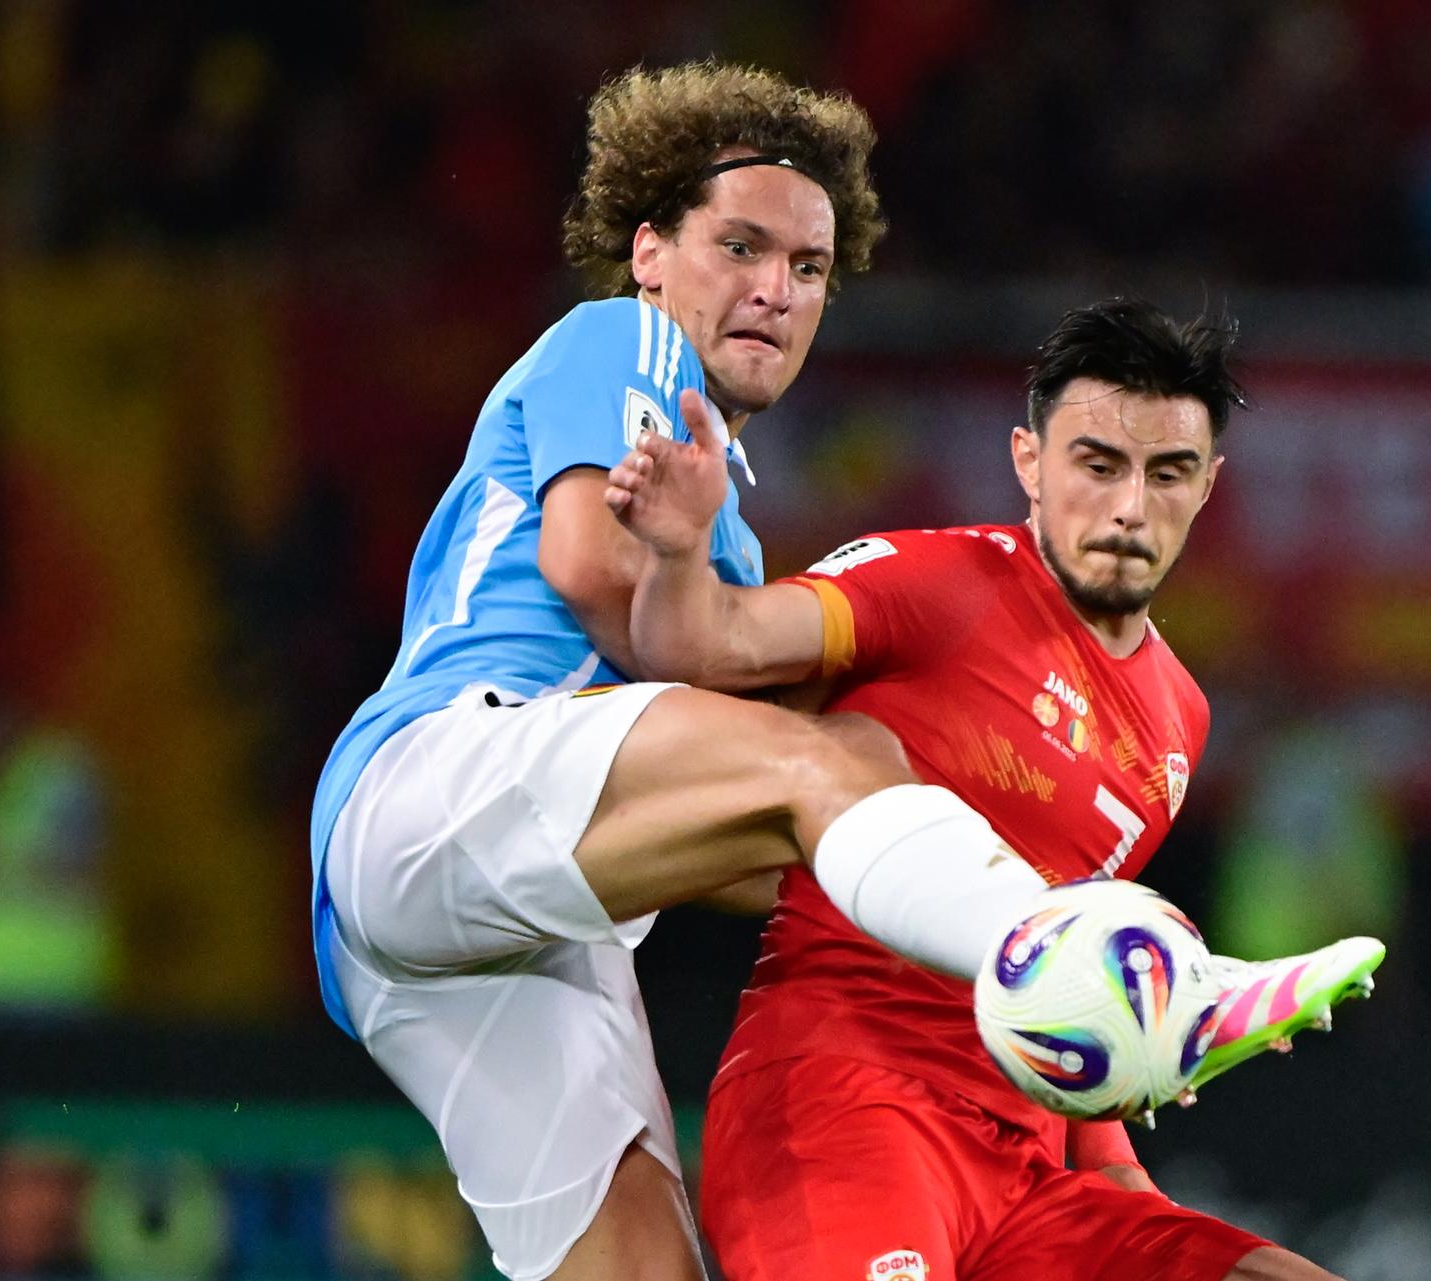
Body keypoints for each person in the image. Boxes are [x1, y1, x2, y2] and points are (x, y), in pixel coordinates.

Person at [306, 61, 1179, 1281]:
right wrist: (1046, 947)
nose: (775, 291)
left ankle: (1052, 953)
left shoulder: (728, 546)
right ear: (651, 249)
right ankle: (1069, 951)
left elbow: (770, 845)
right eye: (742, 247)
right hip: (435, 784)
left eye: (810, 268)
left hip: (520, 933)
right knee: (810, 768)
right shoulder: (622, 340)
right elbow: (586, 565)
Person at [605, 298, 1384, 1281]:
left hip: (1024, 1168)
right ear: (1028, 461)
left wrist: (1131, 1195)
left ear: (1209, 485)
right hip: (848, 1111)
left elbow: (1062, 991)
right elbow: (705, 643)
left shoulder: (1180, 721)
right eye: (1097, 465)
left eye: (1168, 472)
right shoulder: (940, 584)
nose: (1130, 507)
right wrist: (678, 552)